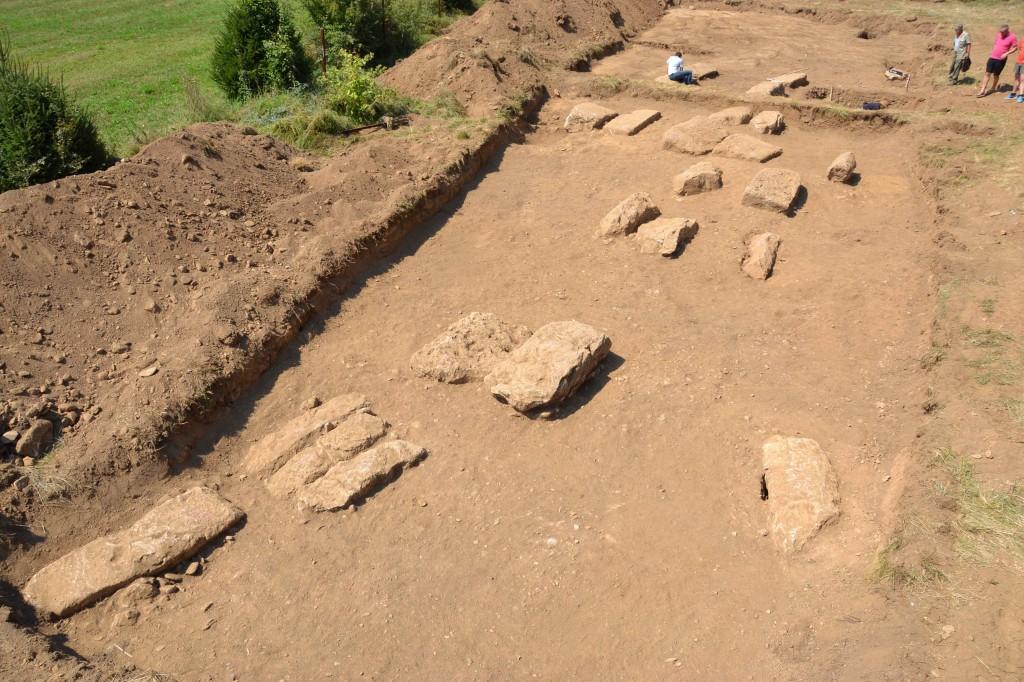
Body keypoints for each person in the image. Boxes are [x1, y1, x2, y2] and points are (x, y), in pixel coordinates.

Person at [977, 24, 1018, 97]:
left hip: (1001, 59)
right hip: (992, 57)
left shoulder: (1012, 37)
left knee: (996, 75)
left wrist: (1006, 53)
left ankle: (993, 87)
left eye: (1002, 32)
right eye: (1000, 32)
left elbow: (1015, 48)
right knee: (987, 73)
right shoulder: (998, 34)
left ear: (1007, 31)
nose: (1001, 34)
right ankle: (982, 90)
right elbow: (996, 44)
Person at [1006, 38, 1024, 102]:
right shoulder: (1022, 39)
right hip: (1018, 62)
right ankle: (1013, 94)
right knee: (1016, 79)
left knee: (1022, 80)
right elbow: (1018, 48)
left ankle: (1021, 96)